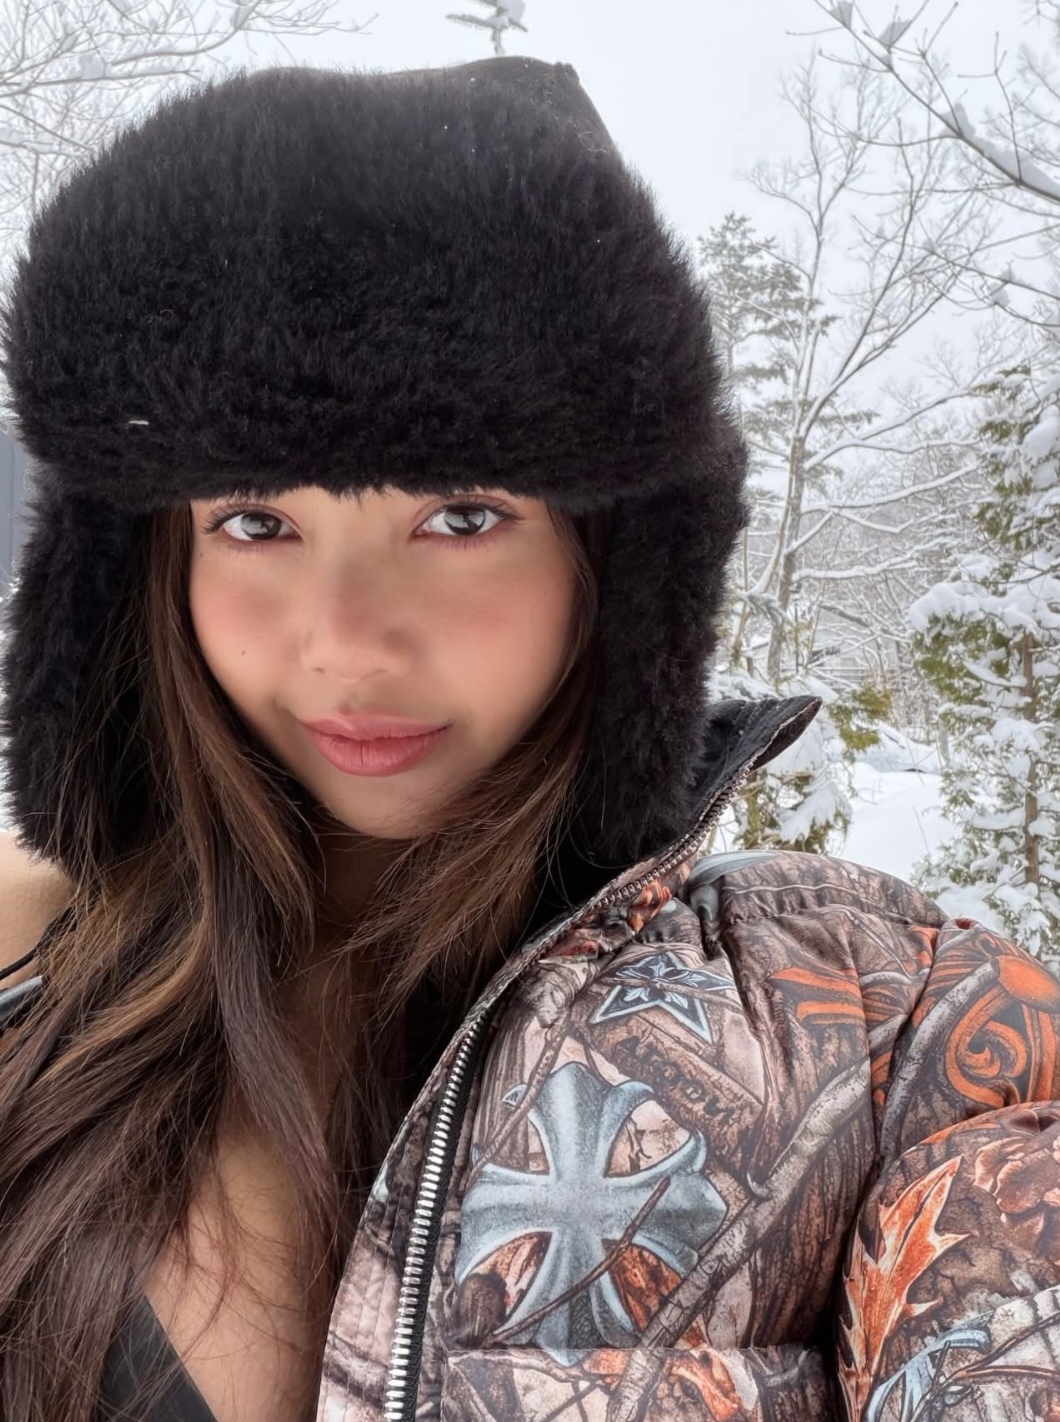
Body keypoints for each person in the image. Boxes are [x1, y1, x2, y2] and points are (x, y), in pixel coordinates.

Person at [0, 54, 1057, 1422]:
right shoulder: (30, 977)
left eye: (461, 515)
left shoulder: (874, 1023)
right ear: (149, 567)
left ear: (607, 561)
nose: (347, 642)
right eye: (257, 521)